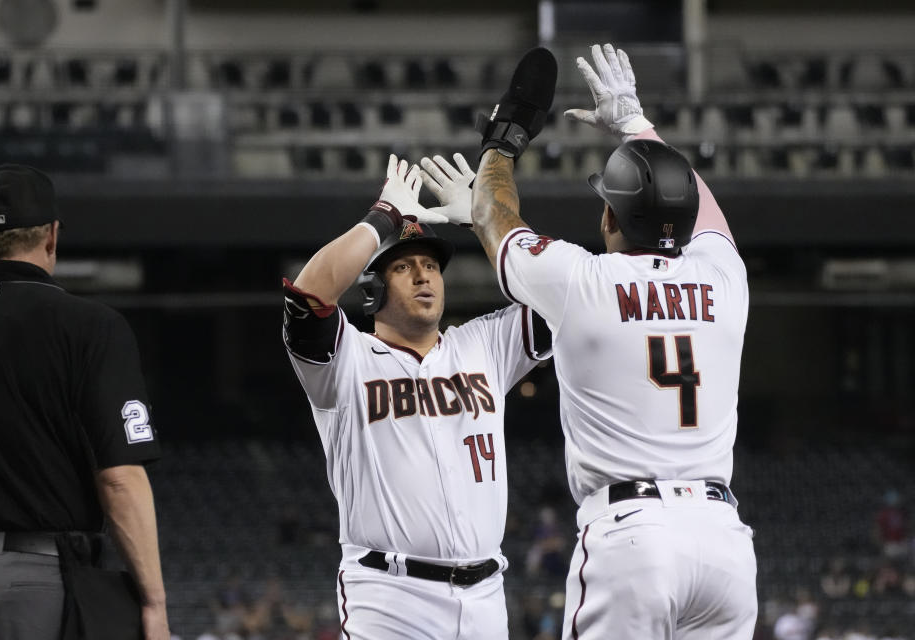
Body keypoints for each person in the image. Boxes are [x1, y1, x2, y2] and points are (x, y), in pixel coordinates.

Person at [469, 44, 757, 638]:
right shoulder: (724, 276)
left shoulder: (582, 280)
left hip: (632, 532)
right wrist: (635, 124)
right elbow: (708, 218)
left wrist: (500, 147)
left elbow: (493, 218)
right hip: (724, 542)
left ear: (608, 219)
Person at [283, 154, 551, 639]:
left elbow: (563, 291)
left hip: (487, 596)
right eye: (404, 267)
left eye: (431, 265)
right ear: (372, 290)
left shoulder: (483, 344)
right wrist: (382, 217)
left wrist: (487, 220)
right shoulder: (348, 359)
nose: (424, 275)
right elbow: (307, 297)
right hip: (390, 598)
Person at [0, 164, 169, 639]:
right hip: (32, 582)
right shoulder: (90, 327)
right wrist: (153, 600)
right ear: (52, 237)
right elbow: (119, 479)